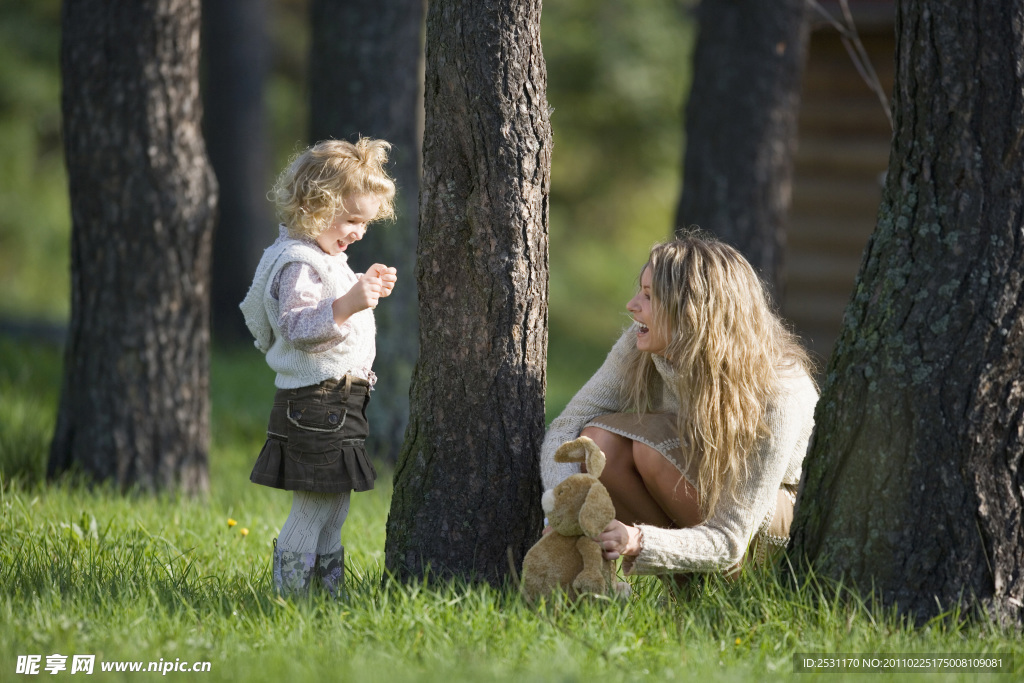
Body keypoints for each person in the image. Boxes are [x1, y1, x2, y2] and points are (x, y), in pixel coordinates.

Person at [539, 234, 818, 583]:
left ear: (692, 310)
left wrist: (640, 541)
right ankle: (685, 584)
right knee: (599, 443)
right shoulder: (639, 344)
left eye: (649, 296)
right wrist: (566, 510)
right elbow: (566, 428)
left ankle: (725, 591)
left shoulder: (778, 390)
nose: (631, 305)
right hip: (701, 490)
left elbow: (733, 537)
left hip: (766, 523)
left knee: (651, 452)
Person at [239, 138, 398, 598]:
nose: (359, 231)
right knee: (313, 508)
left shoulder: (325, 259)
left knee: (334, 508)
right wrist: (348, 303)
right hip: (316, 403)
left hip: (340, 401)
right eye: (351, 219)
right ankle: (290, 598)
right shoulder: (297, 261)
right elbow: (295, 324)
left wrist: (364, 287)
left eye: (366, 222)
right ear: (313, 205)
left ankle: (328, 596)